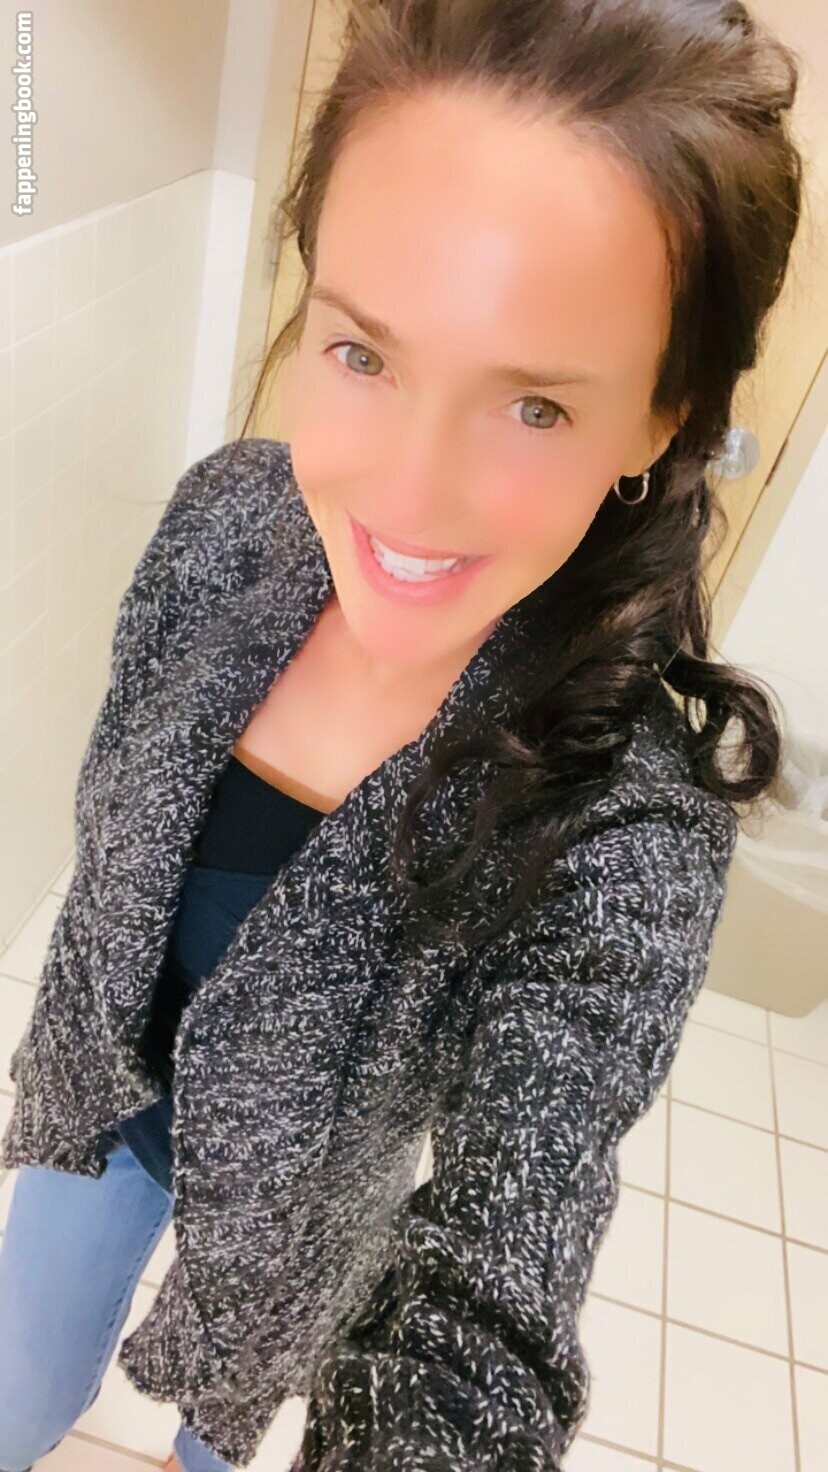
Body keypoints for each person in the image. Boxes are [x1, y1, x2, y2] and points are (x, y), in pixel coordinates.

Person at [0, 1, 805, 1469]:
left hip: (303, 1232)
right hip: (95, 1101)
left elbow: (497, 1282)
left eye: (536, 406)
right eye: (363, 355)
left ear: (659, 421)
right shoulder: (228, 518)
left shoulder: (622, 815)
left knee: (217, 1440)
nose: (408, 494)